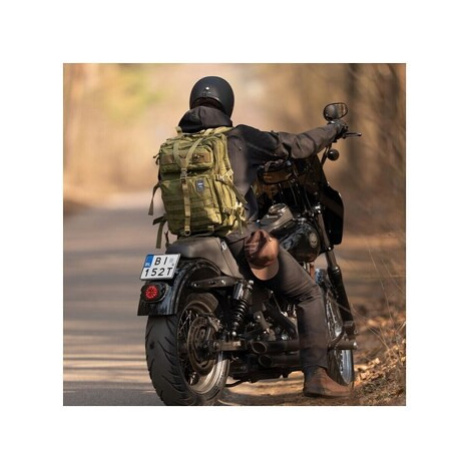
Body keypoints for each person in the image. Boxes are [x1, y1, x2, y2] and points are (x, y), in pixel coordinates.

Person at [178, 75, 350, 398]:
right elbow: (297, 145)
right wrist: (333, 129)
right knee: (309, 293)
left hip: (189, 241)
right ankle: (317, 375)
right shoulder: (239, 138)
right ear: (227, 104)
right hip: (239, 239)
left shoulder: (178, 147)